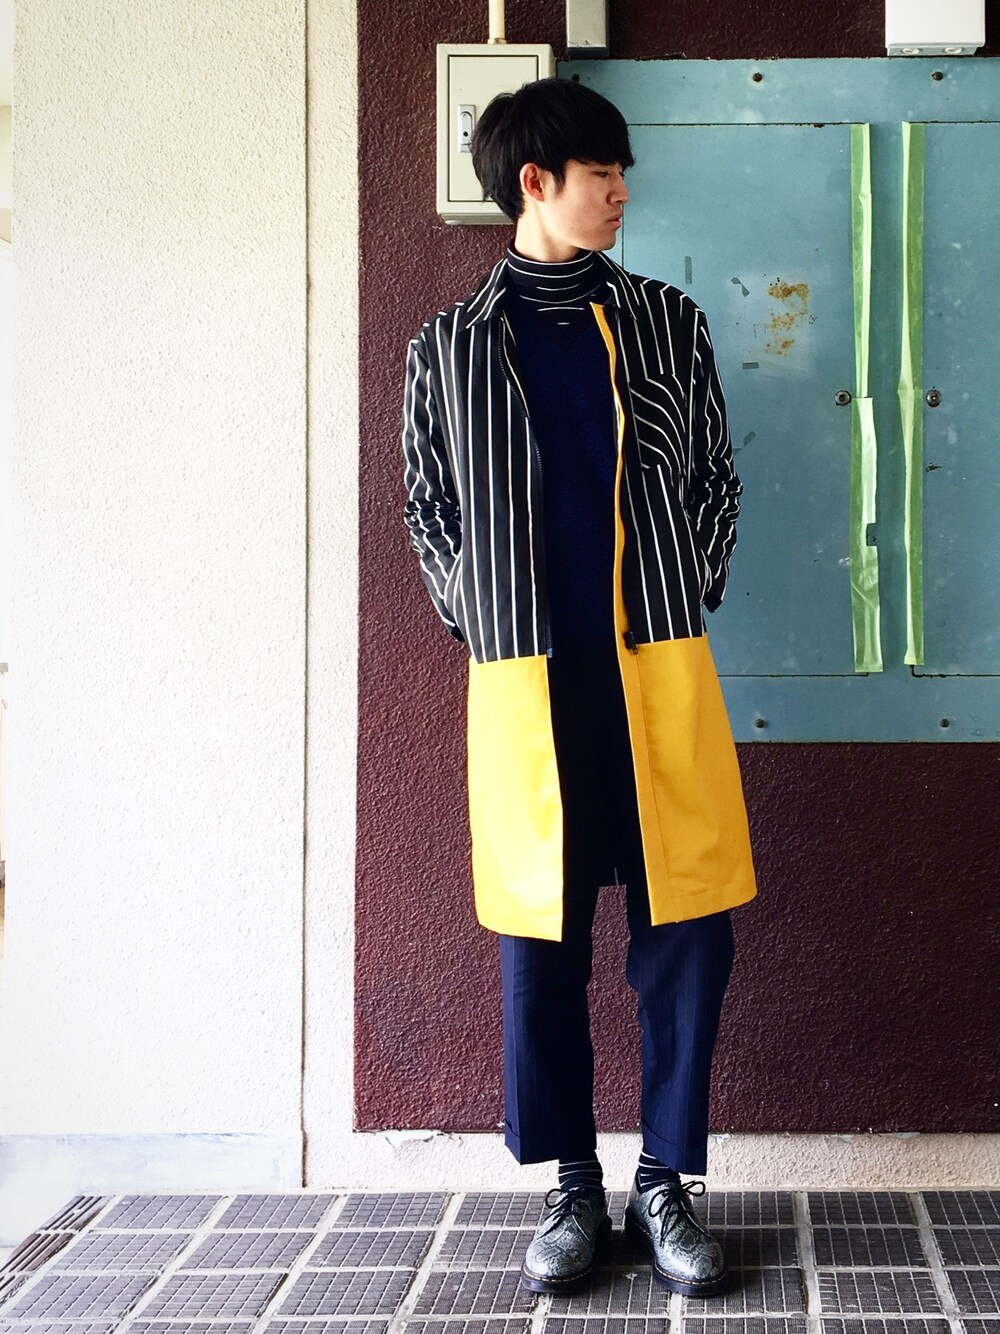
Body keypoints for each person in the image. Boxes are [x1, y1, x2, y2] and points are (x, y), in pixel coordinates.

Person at [400, 76, 757, 1298]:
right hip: (529, 689)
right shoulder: (448, 348)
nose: (621, 194)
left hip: (655, 669)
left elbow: (714, 477)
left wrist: (683, 584)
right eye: (603, 174)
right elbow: (427, 505)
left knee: (687, 929)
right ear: (535, 182)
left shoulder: (665, 322)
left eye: (621, 175)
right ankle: (570, 1183)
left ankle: (665, 1180)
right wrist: (482, 613)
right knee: (537, 938)